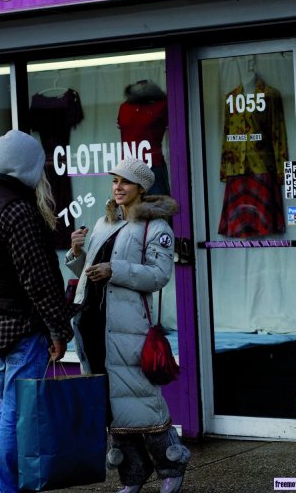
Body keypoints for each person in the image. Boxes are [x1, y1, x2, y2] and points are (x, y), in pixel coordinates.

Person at [65, 157, 190, 493]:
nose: (117, 188)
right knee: (111, 404)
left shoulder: (155, 226)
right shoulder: (104, 222)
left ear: (141, 188)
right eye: (114, 181)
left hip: (128, 326)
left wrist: (115, 270)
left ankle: (171, 466)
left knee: (142, 399)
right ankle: (132, 475)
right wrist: (77, 252)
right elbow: (88, 274)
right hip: (93, 324)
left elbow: (159, 275)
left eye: (125, 182)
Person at [0, 129, 73, 493]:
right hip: (24, 326)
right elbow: (39, 280)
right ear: (25, 167)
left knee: (7, 407)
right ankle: (7, 486)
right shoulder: (16, 210)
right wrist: (59, 330)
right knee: (18, 413)